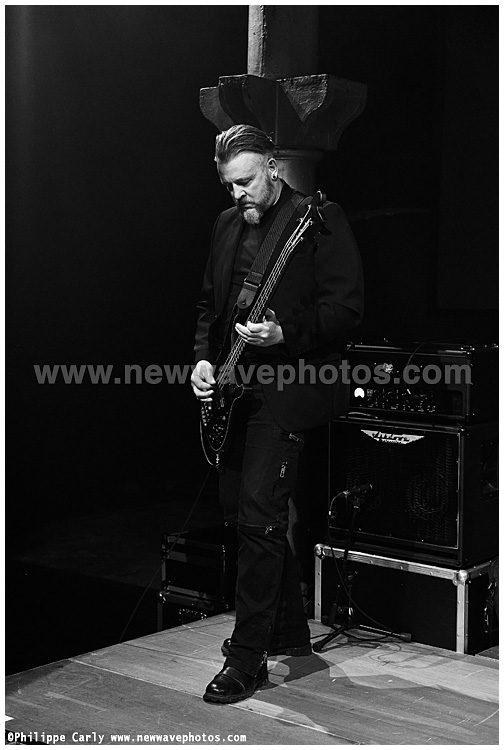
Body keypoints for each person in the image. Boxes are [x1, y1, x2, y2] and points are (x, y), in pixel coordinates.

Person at [191, 124, 363, 704]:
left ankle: (247, 659)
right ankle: (287, 630)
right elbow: (209, 307)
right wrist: (202, 362)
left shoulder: (317, 219)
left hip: (288, 386)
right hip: (232, 388)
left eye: (246, 181)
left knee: (260, 514)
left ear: (272, 165)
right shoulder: (225, 224)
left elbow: (346, 308)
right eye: (229, 184)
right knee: (242, 514)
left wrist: (284, 332)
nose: (238, 193)